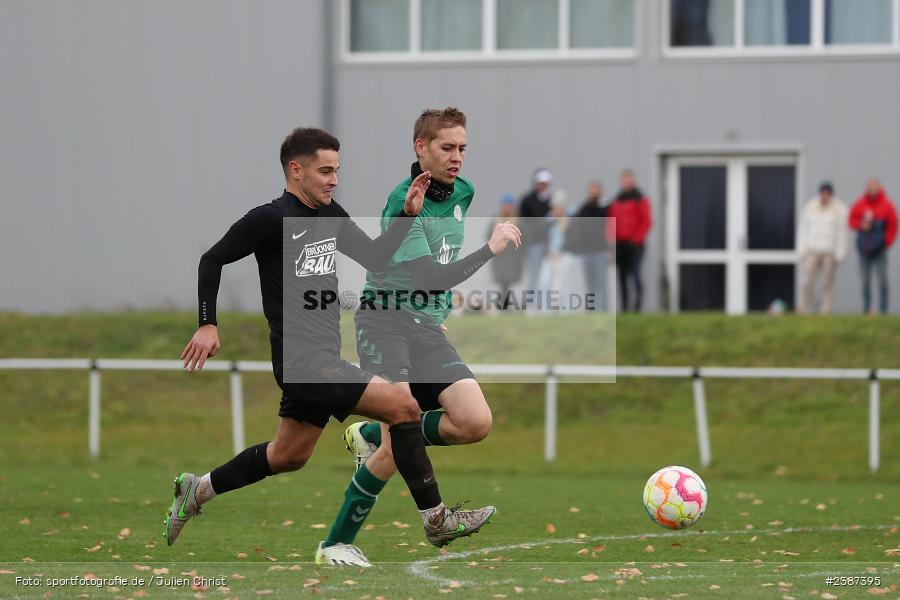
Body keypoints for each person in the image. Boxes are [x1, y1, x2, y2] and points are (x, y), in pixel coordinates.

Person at [165, 127, 496, 555]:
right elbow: (212, 259)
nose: (334, 179)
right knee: (404, 407)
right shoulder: (268, 219)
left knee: (289, 455)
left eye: (337, 171)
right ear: (295, 170)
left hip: (323, 356)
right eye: (325, 171)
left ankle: (197, 490)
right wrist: (207, 323)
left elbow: (377, 257)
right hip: (302, 362)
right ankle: (436, 519)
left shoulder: (332, 214)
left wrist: (407, 216)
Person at [315, 108, 521, 567]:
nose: (457, 157)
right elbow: (428, 275)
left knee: (473, 422)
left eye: (463, 148)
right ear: (420, 148)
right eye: (447, 147)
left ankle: (368, 432)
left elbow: (436, 267)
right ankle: (339, 543)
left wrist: (436, 312)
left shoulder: (463, 193)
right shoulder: (401, 201)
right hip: (383, 322)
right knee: (401, 430)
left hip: (425, 327)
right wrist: (491, 248)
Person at [848, 177, 897, 314]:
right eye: (869, 185)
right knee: (865, 282)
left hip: (880, 250)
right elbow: (851, 221)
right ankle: (866, 310)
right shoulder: (860, 204)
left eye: (874, 185)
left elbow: (893, 225)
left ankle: (883, 311)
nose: (872, 188)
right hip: (864, 250)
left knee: (882, 281)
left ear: (879, 187)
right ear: (866, 187)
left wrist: (886, 242)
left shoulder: (887, 205)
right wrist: (861, 225)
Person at [797, 181, 846, 314]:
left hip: (829, 252)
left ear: (831, 194)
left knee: (827, 283)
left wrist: (840, 252)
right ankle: (804, 309)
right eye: (822, 193)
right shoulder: (811, 206)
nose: (824, 196)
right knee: (806, 282)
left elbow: (842, 232)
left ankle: (825, 311)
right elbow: (803, 228)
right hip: (812, 250)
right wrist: (802, 249)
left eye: (827, 193)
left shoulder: (839, 208)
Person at [607, 169, 651, 312]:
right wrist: (611, 243)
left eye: (629, 180)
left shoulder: (640, 199)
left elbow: (647, 221)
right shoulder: (616, 201)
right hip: (620, 245)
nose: (627, 183)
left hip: (635, 245)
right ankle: (624, 308)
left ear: (633, 181)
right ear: (621, 182)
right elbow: (610, 223)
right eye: (624, 180)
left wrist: (636, 239)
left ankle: (637, 307)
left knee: (636, 275)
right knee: (622, 278)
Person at [563, 180, 610, 311]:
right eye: (592, 190)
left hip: (600, 250)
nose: (594, 192)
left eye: (596, 190)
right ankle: (591, 309)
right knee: (590, 283)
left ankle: (603, 309)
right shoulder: (584, 209)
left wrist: (610, 248)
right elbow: (577, 228)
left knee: (601, 283)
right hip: (587, 251)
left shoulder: (605, 208)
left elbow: (610, 229)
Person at [519, 168, 554, 305]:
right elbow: (523, 222)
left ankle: (544, 304)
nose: (542, 186)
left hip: (548, 244)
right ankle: (530, 303)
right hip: (533, 243)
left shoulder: (551, 199)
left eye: (545, 183)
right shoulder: (528, 200)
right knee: (533, 274)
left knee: (546, 276)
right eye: (540, 183)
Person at [488, 195, 523, 310]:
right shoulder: (496, 221)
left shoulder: (517, 221)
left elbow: (523, 238)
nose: (508, 208)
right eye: (506, 206)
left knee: (508, 281)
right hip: (499, 257)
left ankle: (505, 304)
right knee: (502, 281)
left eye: (510, 206)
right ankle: (504, 304)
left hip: (512, 257)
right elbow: (488, 236)